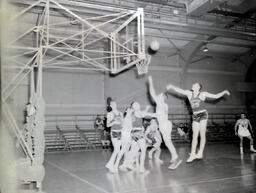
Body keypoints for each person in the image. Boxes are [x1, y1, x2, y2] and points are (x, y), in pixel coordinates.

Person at [166, 82, 230, 162]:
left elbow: (215, 96)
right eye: (193, 84)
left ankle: (200, 153)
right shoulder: (189, 93)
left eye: (195, 85)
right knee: (194, 135)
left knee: (202, 134)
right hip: (195, 115)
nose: (193, 85)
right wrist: (172, 86)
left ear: (199, 87)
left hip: (203, 114)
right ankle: (192, 154)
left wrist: (224, 92)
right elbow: (180, 91)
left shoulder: (203, 94)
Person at [148, 76, 182, 169]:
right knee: (168, 142)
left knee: (167, 142)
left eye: (159, 95)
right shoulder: (165, 105)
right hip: (167, 123)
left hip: (164, 125)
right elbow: (159, 115)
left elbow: (152, 93)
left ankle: (175, 157)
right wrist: (150, 114)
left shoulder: (160, 102)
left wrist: (150, 82)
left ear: (162, 97)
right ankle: (174, 156)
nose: (157, 96)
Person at [105, 101, 123, 173]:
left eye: (115, 103)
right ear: (111, 106)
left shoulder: (120, 113)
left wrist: (122, 124)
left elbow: (122, 123)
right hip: (114, 132)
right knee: (116, 150)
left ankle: (111, 164)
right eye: (113, 104)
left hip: (120, 132)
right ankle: (110, 164)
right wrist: (114, 122)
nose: (114, 105)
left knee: (118, 150)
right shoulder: (109, 114)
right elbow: (108, 125)